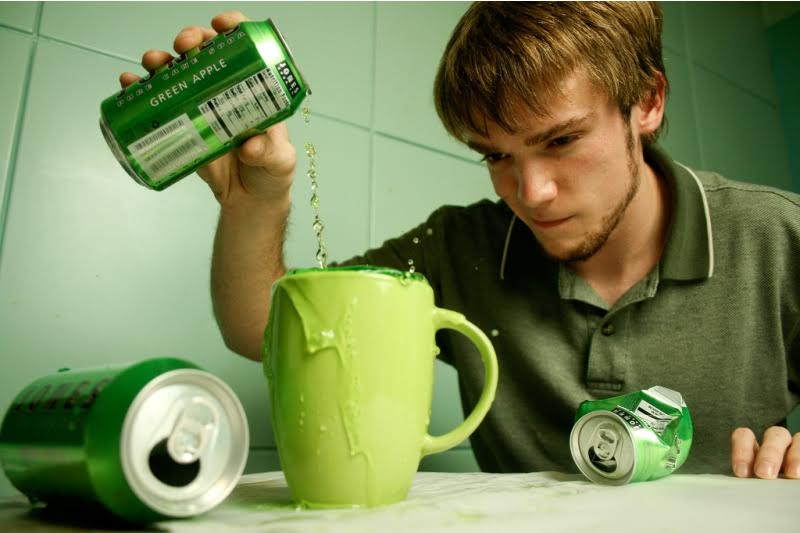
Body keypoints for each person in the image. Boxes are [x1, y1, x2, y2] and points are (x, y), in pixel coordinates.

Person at [120, 2, 799, 479]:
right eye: (496, 155)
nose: (529, 193)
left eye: (561, 141)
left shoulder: (779, 238)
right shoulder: (459, 246)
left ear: (647, 102)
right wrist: (254, 200)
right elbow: (262, 331)